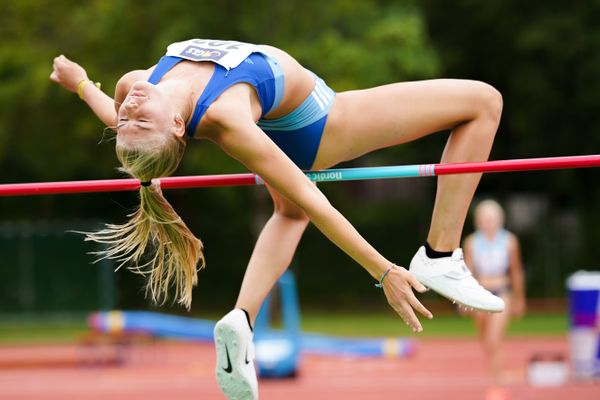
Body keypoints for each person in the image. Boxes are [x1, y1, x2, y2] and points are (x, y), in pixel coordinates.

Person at [51, 38, 504, 399]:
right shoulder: (227, 117)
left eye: (128, 120)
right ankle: (439, 254)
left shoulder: (135, 86)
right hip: (321, 124)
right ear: (175, 125)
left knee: (287, 216)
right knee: (483, 102)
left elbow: (117, 116)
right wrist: (382, 270)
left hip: (279, 118)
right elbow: (315, 200)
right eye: (139, 120)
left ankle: (241, 320)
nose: (129, 110)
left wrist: (81, 83)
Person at [463, 200, 526, 400]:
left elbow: (516, 271)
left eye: (491, 218)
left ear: (499, 220)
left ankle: (497, 385)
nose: (488, 222)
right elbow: (467, 273)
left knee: (494, 339)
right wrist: (464, 299)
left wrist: (519, 299)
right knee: (486, 341)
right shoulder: (471, 242)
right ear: (478, 221)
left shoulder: (510, 241)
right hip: (480, 294)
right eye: (484, 219)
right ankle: (499, 373)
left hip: (502, 292)